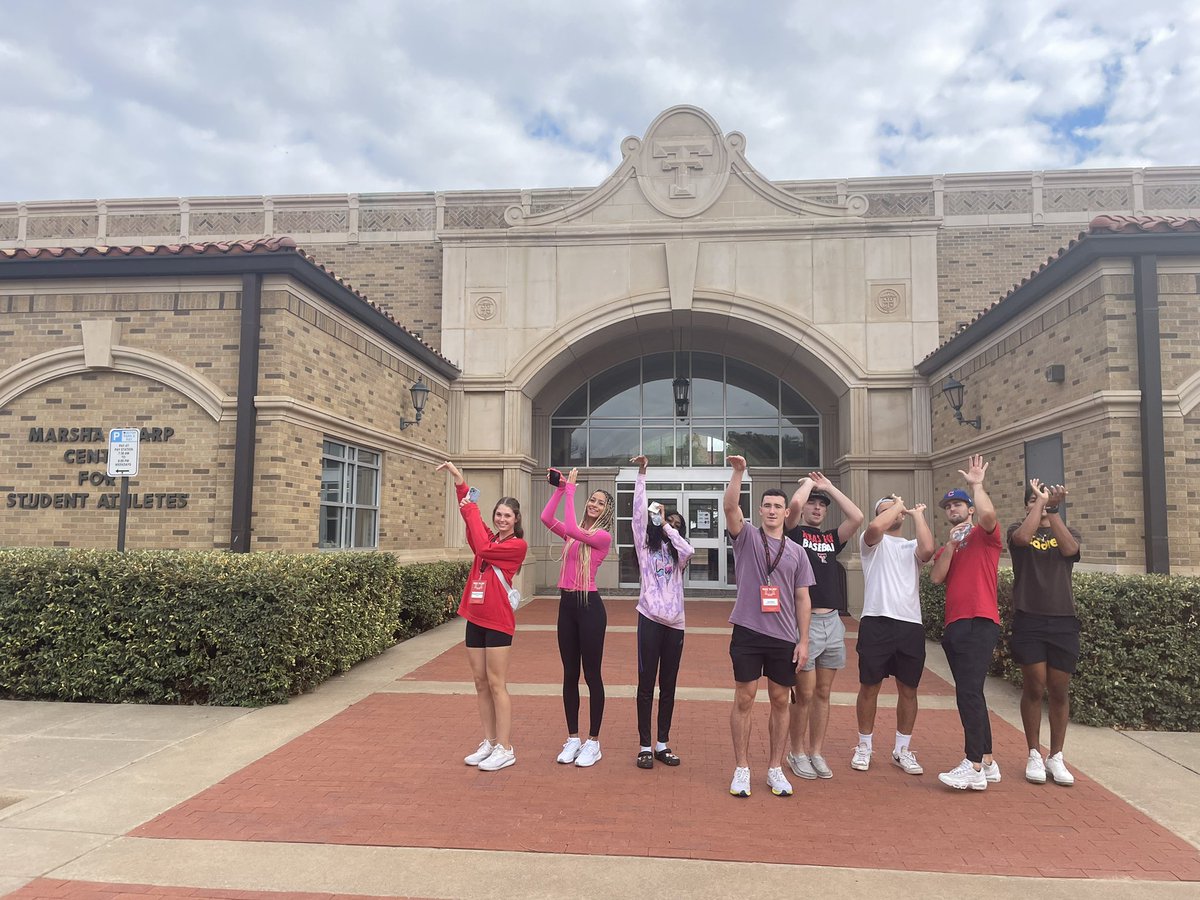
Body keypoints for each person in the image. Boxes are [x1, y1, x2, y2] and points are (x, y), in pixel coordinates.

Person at [723, 455, 814, 798]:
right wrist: (738, 473)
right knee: (744, 698)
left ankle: (775, 768)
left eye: (778, 506)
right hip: (748, 631)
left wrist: (804, 641)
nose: (773, 511)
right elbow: (730, 507)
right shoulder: (746, 536)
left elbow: (803, 598)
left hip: (784, 636)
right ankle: (742, 768)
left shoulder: (797, 552)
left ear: (787, 513)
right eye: (767, 506)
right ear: (759, 510)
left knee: (780, 700)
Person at [436, 461, 528, 773]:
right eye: (498, 514)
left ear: (516, 520)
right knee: (479, 682)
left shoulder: (517, 545)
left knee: (497, 683)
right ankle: (489, 742)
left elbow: (483, 547)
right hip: (475, 618)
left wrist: (471, 507)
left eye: (507, 516)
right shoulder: (491, 538)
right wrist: (460, 483)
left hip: (499, 622)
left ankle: (506, 747)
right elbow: (474, 530)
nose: (502, 519)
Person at [783, 472, 864, 780]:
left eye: (822, 505)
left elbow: (856, 517)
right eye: (813, 504)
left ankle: (816, 751)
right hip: (806, 623)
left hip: (833, 623)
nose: (817, 508)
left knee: (824, 693)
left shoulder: (831, 538)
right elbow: (793, 506)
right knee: (803, 694)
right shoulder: (794, 534)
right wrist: (808, 484)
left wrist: (829, 487)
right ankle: (797, 752)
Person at [930, 455, 1004, 791]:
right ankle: (987, 760)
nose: (953, 509)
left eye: (958, 505)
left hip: (980, 620)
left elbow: (989, 516)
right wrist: (949, 545)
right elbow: (936, 578)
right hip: (955, 625)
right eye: (949, 507)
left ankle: (972, 765)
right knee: (970, 691)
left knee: (969, 692)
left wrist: (977, 485)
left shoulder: (985, 535)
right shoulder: (951, 544)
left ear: (970, 509)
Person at [852, 494, 935, 776]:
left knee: (908, 689)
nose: (894, 513)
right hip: (876, 621)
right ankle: (864, 745)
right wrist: (898, 505)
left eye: (896, 509)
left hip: (909, 625)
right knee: (869, 686)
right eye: (885, 509)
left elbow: (928, 549)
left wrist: (918, 514)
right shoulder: (871, 543)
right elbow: (876, 526)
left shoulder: (911, 546)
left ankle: (902, 749)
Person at [1008, 479, 1082, 786]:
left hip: (1063, 620)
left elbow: (1071, 549)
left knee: (1059, 690)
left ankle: (1056, 756)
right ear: (1027, 505)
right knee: (1035, 687)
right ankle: (1034, 753)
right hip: (1029, 619)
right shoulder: (1017, 529)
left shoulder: (1067, 530)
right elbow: (1023, 539)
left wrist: (1052, 511)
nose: (1038, 504)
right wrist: (1041, 504)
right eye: (1033, 500)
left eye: (1044, 500)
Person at [541, 467, 615, 768]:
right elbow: (547, 518)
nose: (594, 504)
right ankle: (573, 738)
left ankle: (593, 742)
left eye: (600, 503)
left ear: (607, 512)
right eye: (592, 500)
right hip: (567, 606)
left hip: (590, 608)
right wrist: (560, 489)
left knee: (592, 675)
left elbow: (572, 527)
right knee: (569, 674)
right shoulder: (574, 535)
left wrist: (571, 491)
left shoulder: (602, 536)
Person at [630, 455, 695, 769]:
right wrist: (642, 474)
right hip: (650, 619)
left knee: (668, 686)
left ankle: (662, 744)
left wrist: (669, 528)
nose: (671, 526)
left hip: (675, 624)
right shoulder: (645, 547)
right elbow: (637, 514)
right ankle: (645, 745)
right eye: (667, 521)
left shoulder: (679, 555)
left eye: (678, 524)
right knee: (646, 685)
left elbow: (688, 549)